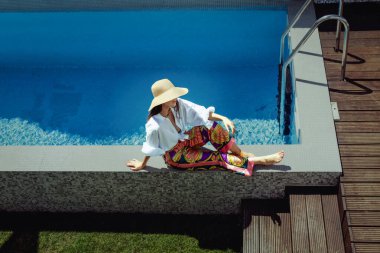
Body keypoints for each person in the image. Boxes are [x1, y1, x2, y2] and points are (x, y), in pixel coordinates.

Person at [126, 79, 284, 176]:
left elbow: (201, 114)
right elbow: (151, 146)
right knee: (216, 158)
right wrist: (142, 164)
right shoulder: (155, 125)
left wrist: (223, 118)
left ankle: (239, 152)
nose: (174, 98)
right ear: (162, 101)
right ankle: (258, 161)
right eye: (170, 96)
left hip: (186, 140)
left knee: (210, 127)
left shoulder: (177, 105)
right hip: (176, 155)